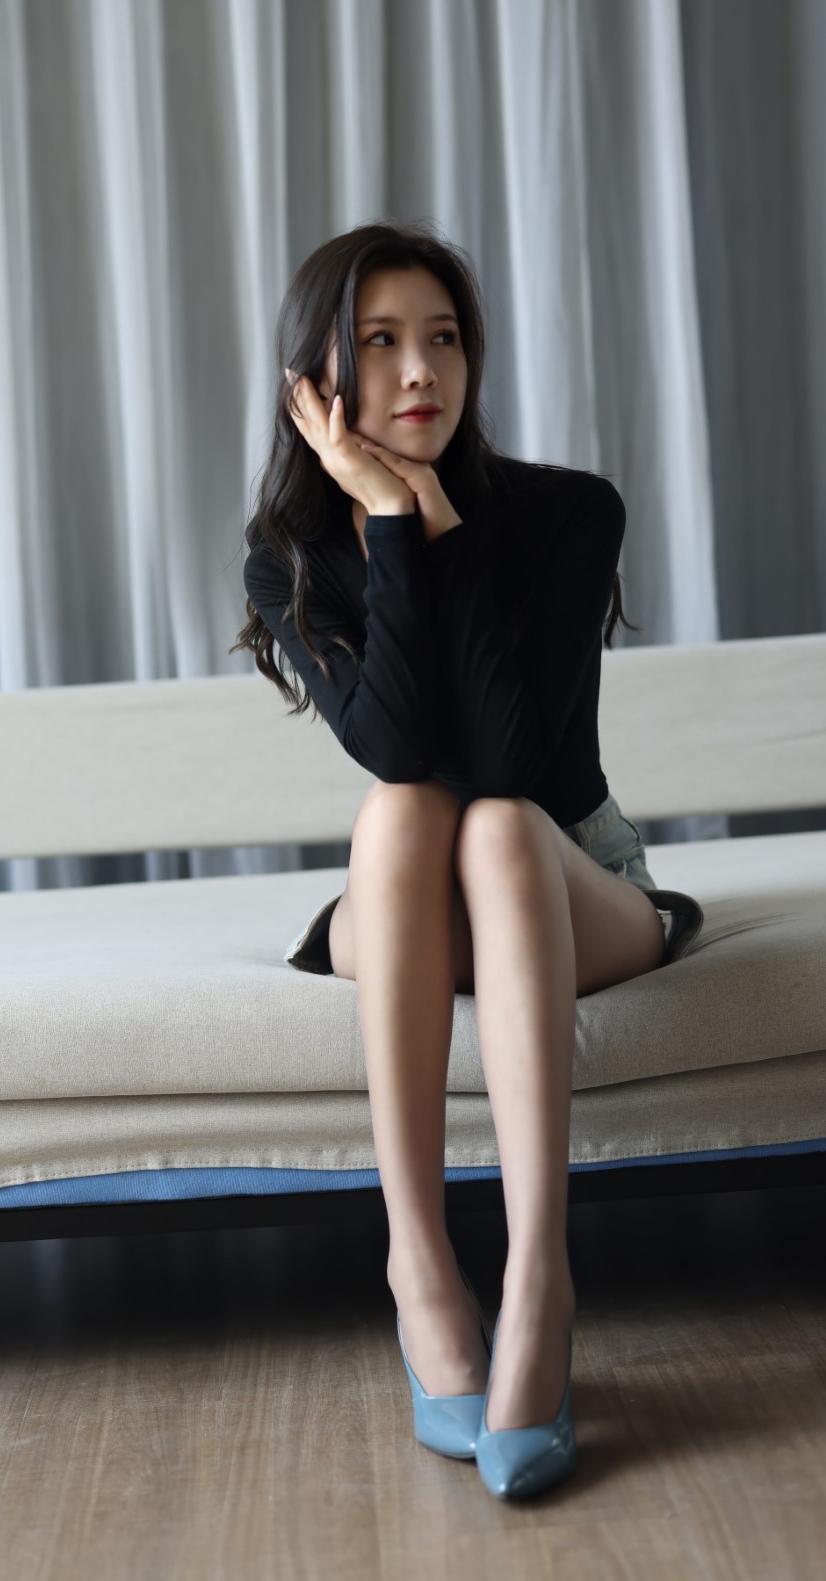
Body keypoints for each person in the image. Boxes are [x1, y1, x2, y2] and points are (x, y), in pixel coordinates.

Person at [231, 219, 702, 1502]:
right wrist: (388, 518)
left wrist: (439, 525)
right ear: (318, 379)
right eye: (380, 341)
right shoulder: (289, 559)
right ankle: (421, 1262)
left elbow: (507, 762)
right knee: (402, 813)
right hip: (406, 890)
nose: (418, 370)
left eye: (442, 338)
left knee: (490, 821)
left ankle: (541, 1275)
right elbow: (396, 748)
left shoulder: (568, 512)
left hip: (566, 869)